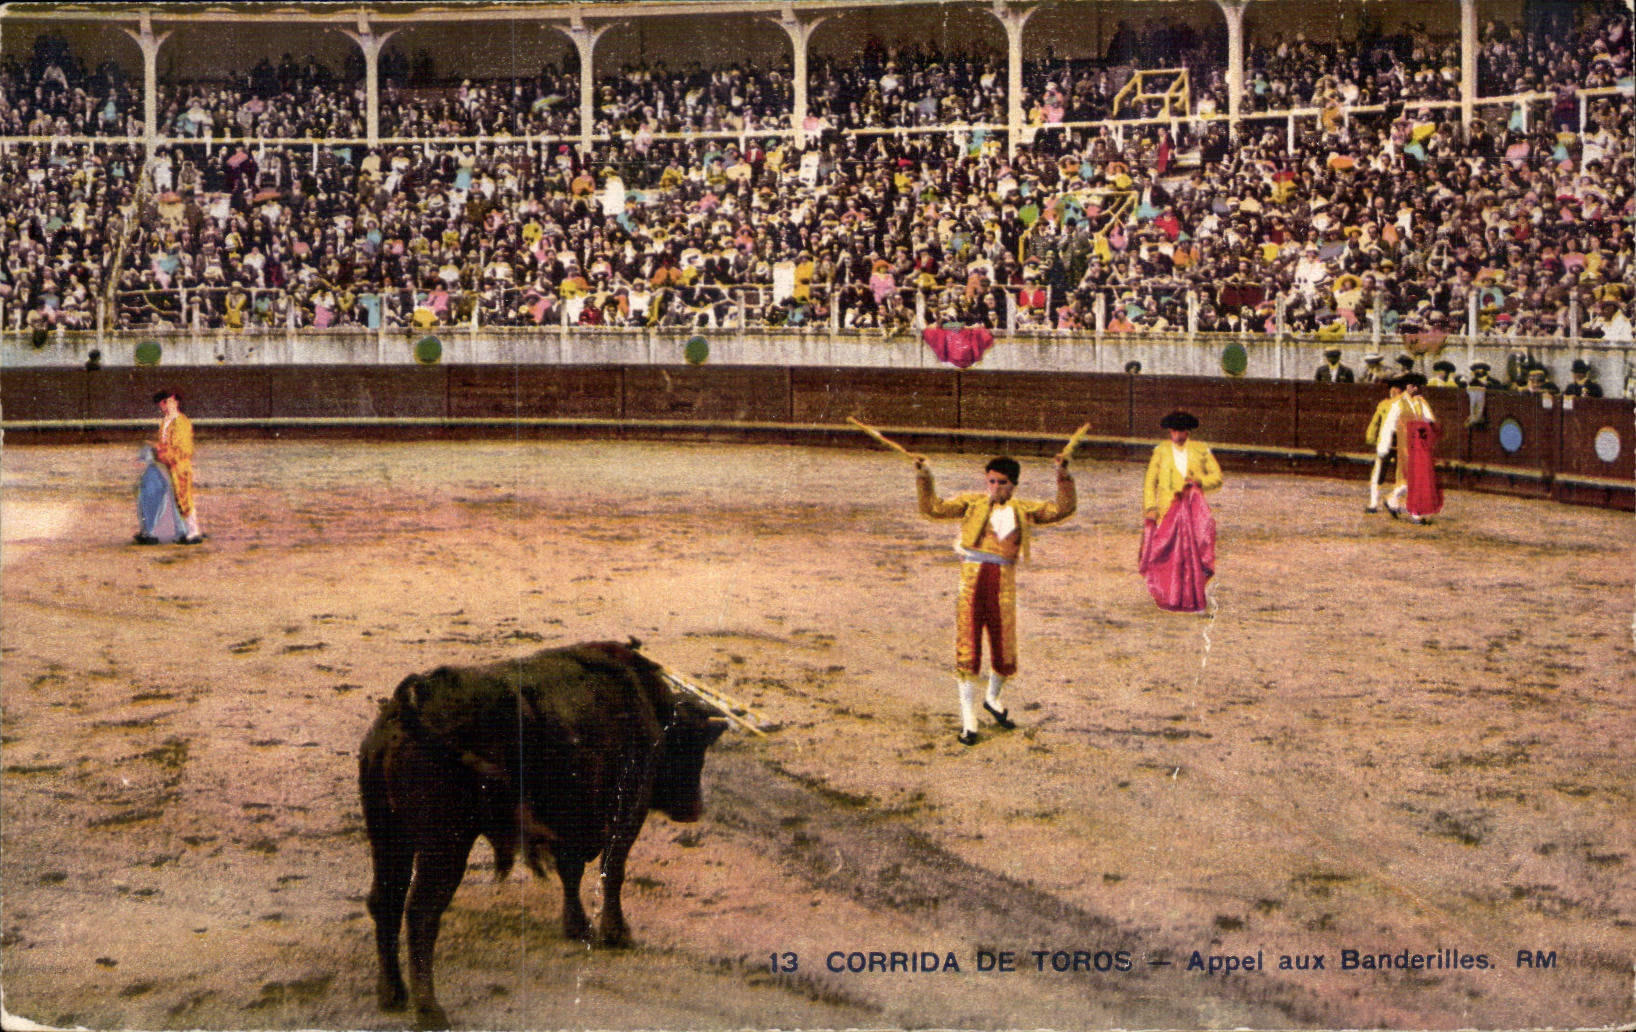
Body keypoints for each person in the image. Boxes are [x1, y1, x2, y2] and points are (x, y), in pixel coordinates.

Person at [914, 452, 1076, 745]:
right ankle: (968, 720)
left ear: (1014, 485)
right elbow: (933, 508)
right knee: (969, 642)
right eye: (991, 481)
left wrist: (1063, 475)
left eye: (1002, 482)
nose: (996, 487)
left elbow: (1062, 509)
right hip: (972, 576)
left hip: (1003, 580)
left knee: (1004, 644)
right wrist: (925, 476)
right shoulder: (971, 503)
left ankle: (991, 698)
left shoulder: (1024, 509)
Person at [1139, 411, 1223, 613]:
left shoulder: (1201, 450)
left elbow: (1217, 477)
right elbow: (1150, 482)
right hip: (1167, 510)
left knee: (1195, 551)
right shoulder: (1160, 451)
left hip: (1193, 510)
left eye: (1181, 430)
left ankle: (1190, 596)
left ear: (1188, 431)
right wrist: (1150, 507)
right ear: (1170, 430)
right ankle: (1169, 595)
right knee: (1165, 554)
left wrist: (1199, 482)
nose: (1177, 434)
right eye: (1174, 430)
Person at [1381, 373, 1440, 524]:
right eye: (1411, 384)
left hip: (1420, 444)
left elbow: (1430, 420)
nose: (1414, 387)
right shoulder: (1397, 403)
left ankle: (1392, 500)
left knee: (1416, 477)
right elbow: (1388, 425)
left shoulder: (1421, 402)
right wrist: (1384, 444)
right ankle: (1415, 512)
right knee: (1412, 477)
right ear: (1405, 386)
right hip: (1405, 444)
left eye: (1416, 385)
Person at [151, 389, 204, 544]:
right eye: (163, 402)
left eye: (168, 401)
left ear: (174, 402)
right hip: (168, 464)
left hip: (178, 465)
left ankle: (194, 532)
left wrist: (162, 455)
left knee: (183, 497)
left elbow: (183, 450)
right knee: (175, 499)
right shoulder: (167, 421)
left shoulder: (180, 422)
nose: (165, 405)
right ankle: (184, 530)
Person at [1363, 378, 1403, 513]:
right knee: (1378, 472)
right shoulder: (1384, 404)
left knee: (1401, 475)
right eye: (1392, 387)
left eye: (1397, 388)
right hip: (1386, 443)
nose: (1393, 390)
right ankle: (1373, 503)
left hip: (1401, 444)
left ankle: (1394, 502)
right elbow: (1375, 422)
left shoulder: (1406, 405)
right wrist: (1371, 436)